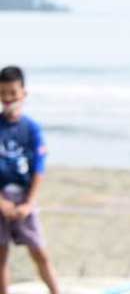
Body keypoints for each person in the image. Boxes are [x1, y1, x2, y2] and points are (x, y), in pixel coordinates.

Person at [0, 66, 60, 294]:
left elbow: (39, 168)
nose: (8, 99)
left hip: (25, 198)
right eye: (3, 93)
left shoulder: (31, 129)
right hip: (1, 199)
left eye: (12, 93)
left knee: (39, 252)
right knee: (1, 256)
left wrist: (29, 203)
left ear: (23, 93)